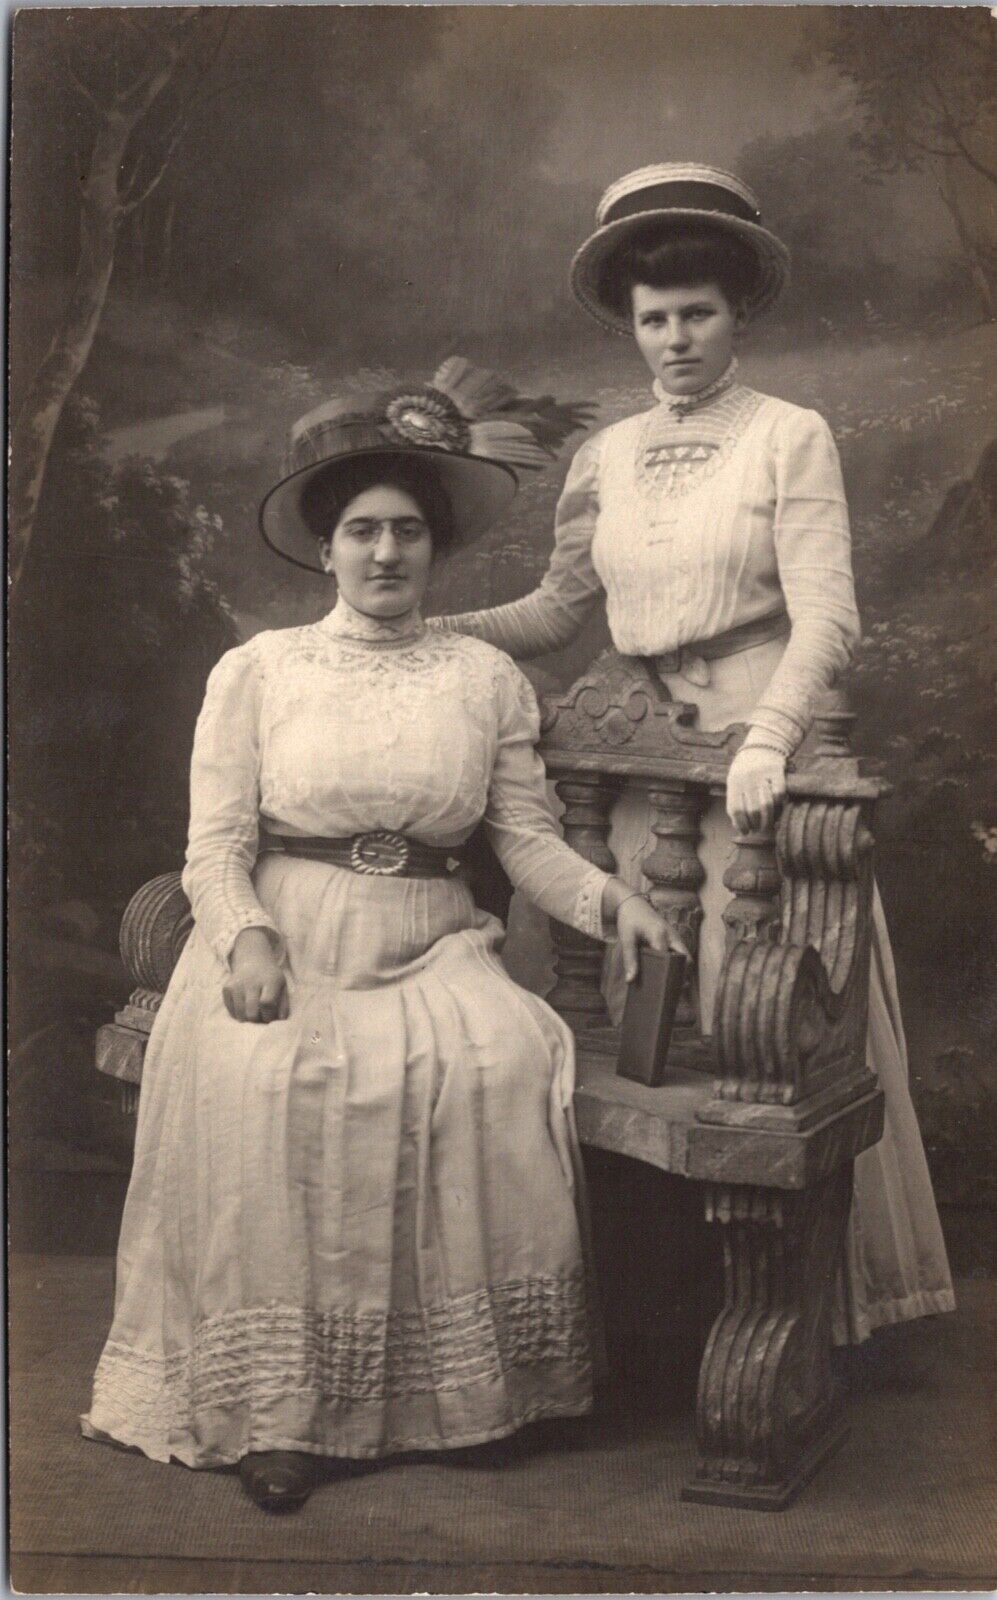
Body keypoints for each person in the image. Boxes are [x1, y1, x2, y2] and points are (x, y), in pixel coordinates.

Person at [81, 359, 676, 1513]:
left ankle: (466, 1395)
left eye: (408, 531)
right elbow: (213, 848)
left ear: (436, 546)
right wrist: (246, 938)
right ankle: (279, 1415)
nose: (387, 553)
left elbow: (528, 840)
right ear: (325, 544)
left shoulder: (483, 676)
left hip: (432, 938)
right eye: (362, 530)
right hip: (289, 932)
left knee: (501, 1060)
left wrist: (616, 902)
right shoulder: (259, 671)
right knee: (275, 1076)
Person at [434, 164, 955, 1346]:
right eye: (654, 319)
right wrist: (424, 626)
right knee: (620, 1018)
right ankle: (641, 1299)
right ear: (631, 324)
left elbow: (829, 613)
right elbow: (560, 606)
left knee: (756, 1029)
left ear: (737, 316)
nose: (674, 339)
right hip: (634, 762)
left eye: (697, 314)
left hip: (760, 751)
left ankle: (787, 1309)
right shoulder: (606, 455)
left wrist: (768, 733)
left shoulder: (789, 435)